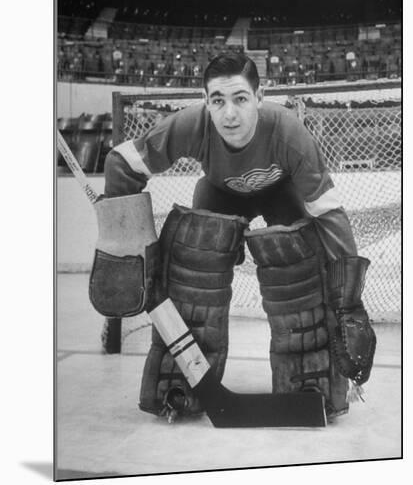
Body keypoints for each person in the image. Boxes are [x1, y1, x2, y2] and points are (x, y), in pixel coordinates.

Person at [102, 53, 376, 422]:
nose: (229, 113)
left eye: (240, 99)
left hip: (282, 194)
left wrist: (350, 304)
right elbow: (123, 163)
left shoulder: (288, 131)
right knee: (194, 267)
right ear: (205, 101)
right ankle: (181, 384)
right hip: (219, 194)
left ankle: (312, 384)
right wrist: (123, 247)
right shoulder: (192, 125)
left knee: (302, 270)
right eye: (218, 100)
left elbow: (327, 213)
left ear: (260, 98)